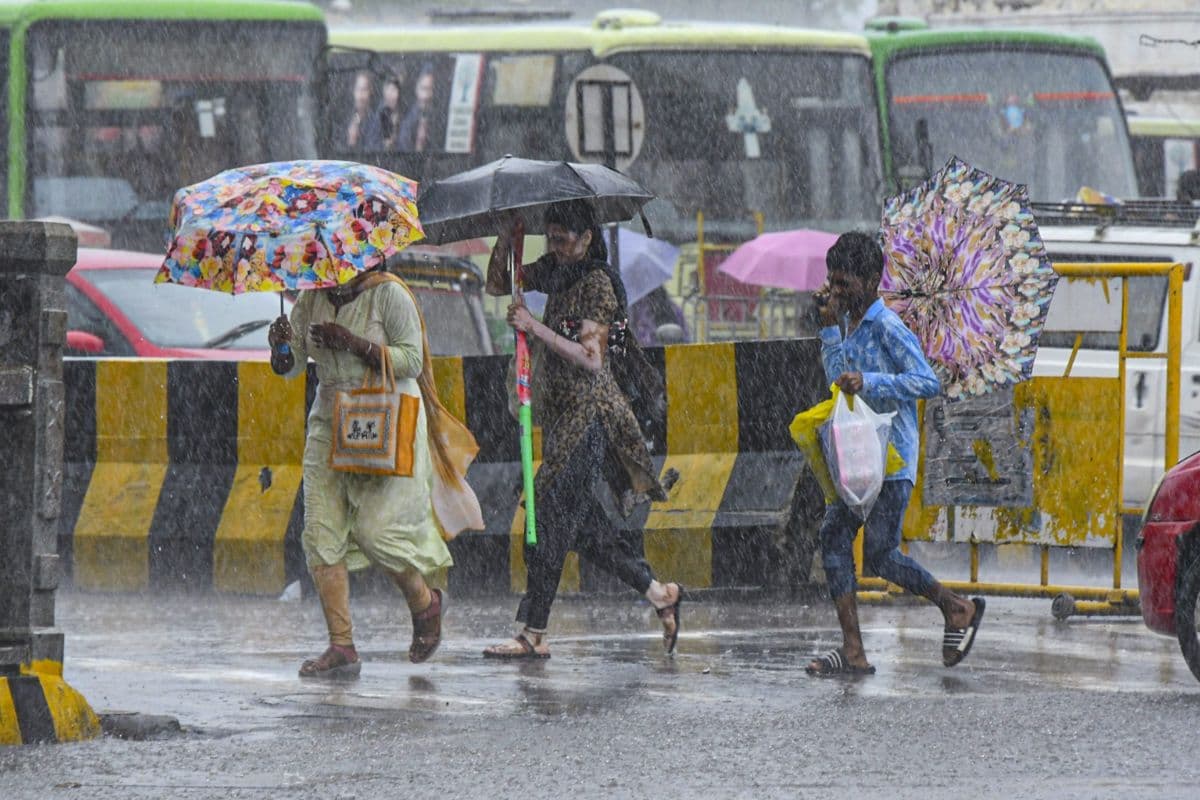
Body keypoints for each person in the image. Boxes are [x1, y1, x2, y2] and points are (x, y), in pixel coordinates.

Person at [481, 200, 683, 659]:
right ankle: (659, 593)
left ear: (587, 238)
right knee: (582, 528)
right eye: (549, 238)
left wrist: (534, 325)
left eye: (563, 239)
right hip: (559, 418)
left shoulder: (597, 284)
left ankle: (533, 633)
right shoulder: (557, 270)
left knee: (548, 519)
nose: (556, 247)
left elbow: (592, 359)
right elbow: (498, 283)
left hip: (590, 417)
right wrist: (505, 235)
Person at [267, 262, 462, 679]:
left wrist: (354, 344)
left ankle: (425, 604)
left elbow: (411, 359)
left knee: (378, 533)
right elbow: (295, 365)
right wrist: (281, 348)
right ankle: (342, 644)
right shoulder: (311, 299)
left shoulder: (389, 294)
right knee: (319, 531)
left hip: (387, 414)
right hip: (330, 419)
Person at [806, 231, 985, 676]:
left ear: (871, 280)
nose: (836, 290)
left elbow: (927, 381)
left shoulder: (888, 327)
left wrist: (873, 382)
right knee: (833, 537)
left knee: (882, 555)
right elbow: (835, 379)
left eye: (845, 283)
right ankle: (853, 650)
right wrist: (828, 328)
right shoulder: (845, 323)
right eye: (832, 281)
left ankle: (956, 606)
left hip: (893, 459)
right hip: (857, 455)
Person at [396, 65, 435, 153]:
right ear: (416, 89)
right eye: (424, 89)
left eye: (430, 89)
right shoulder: (406, 120)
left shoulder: (438, 119)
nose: (426, 96)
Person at [343, 71, 375, 150]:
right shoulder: (344, 119)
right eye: (358, 89)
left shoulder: (375, 120)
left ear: (370, 92)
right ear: (353, 91)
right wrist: (350, 141)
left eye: (364, 90)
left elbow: (373, 151)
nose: (360, 95)